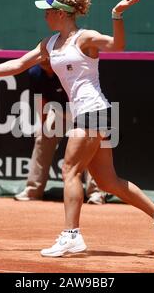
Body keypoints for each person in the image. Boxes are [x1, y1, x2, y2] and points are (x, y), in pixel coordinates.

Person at [0, 0, 154, 257]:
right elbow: (18, 64)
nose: (45, 17)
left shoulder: (85, 38)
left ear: (63, 14)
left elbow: (118, 45)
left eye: (48, 12)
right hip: (90, 113)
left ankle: (71, 236)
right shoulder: (50, 44)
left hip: (94, 110)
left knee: (70, 170)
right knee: (107, 181)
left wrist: (117, 15)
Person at [14, 58, 107, 204]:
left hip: (83, 110)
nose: (43, 58)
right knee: (42, 139)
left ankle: (95, 193)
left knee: (89, 147)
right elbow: (41, 99)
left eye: (47, 55)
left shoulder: (67, 69)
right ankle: (33, 191)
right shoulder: (35, 73)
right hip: (59, 112)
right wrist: (45, 124)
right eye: (41, 56)